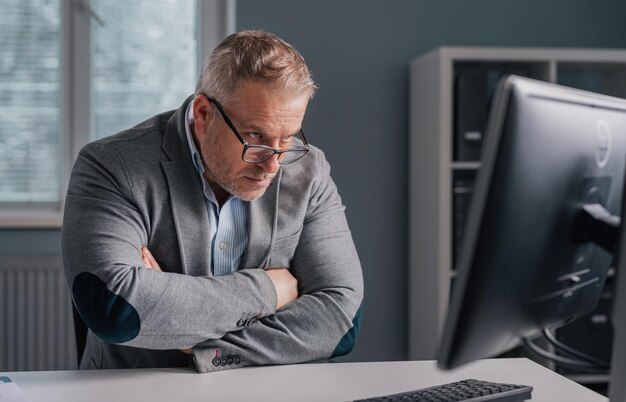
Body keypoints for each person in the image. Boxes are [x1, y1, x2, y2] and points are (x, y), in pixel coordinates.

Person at [62, 30, 364, 373]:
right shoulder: (111, 166)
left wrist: (199, 346)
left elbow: (342, 319)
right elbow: (115, 308)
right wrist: (268, 289)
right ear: (203, 114)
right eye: (255, 136)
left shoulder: (309, 171)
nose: (273, 164)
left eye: (288, 138)